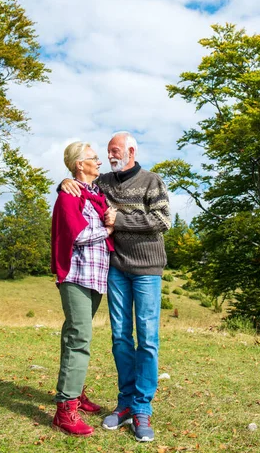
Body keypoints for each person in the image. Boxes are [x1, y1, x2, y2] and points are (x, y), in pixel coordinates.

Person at [60, 131, 171, 442]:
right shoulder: (104, 183)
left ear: (131, 151)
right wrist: (63, 183)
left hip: (148, 269)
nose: (109, 156)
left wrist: (119, 220)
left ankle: (142, 408)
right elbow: (80, 187)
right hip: (117, 269)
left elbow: (163, 220)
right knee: (121, 337)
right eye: (107, 151)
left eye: (115, 150)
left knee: (147, 338)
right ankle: (124, 404)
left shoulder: (152, 181)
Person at [51, 141, 115, 437]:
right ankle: (65, 410)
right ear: (80, 164)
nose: (99, 162)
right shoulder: (69, 194)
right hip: (76, 276)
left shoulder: (95, 194)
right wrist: (109, 229)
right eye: (94, 158)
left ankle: (73, 392)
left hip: (95, 277)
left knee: (75, 335)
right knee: (80, 338)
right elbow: (78, 235)